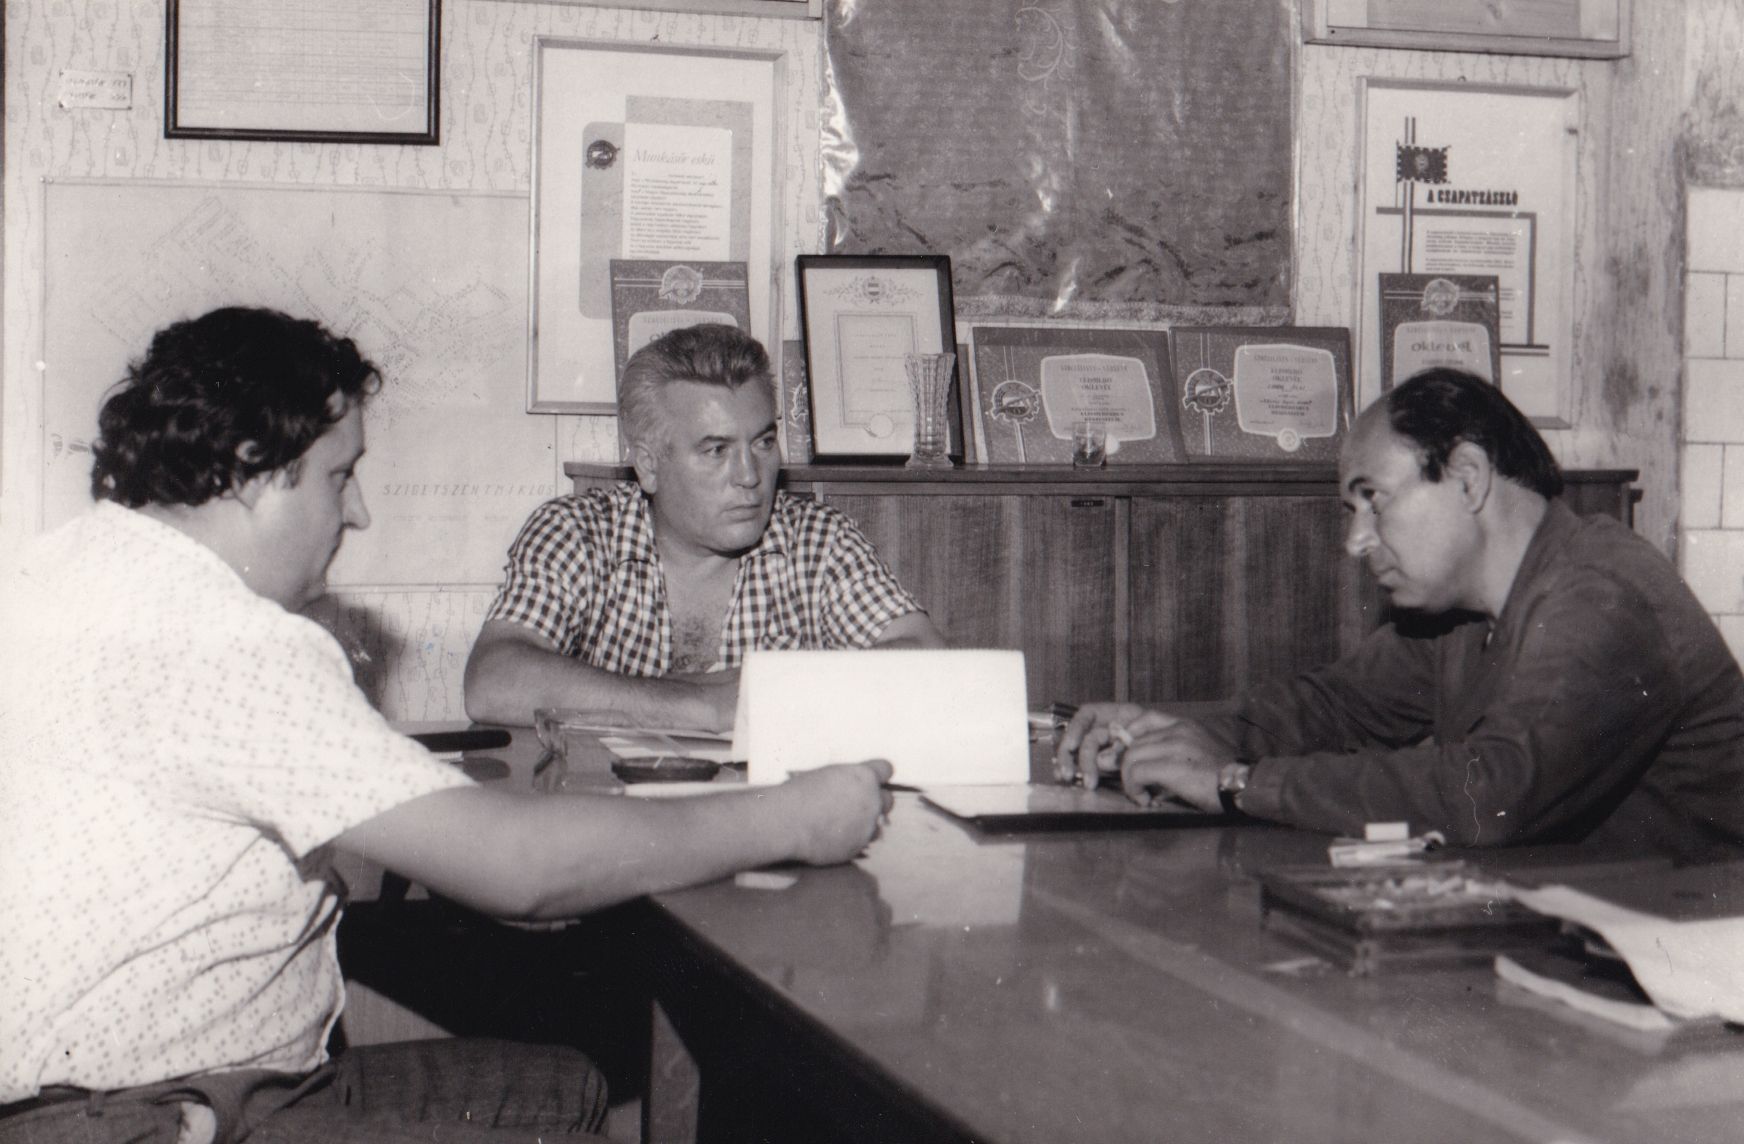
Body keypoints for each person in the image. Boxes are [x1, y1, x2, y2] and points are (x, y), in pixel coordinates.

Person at [0, 307, 892, 1143]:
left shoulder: (65, 570)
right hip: (150, 1115)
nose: (357, 511)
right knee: (586, 1093)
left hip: (101, 1086)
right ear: (253, 470)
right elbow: (521, 869)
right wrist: (798, 816)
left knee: (571, 1084)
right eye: (341, 475)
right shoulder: (231, 640)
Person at [1058, 368, 1744, 855]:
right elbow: (1337, 708)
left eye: (1373, 500)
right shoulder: (1464, 610)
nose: (1356, 541)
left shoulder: (1603, 593)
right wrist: (1173, 732)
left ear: (1467, 477)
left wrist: (1239, 783)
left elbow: (1491, 794)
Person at [464, 323, 944, 731]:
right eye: (716, 450)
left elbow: (928, 662)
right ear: (648, 465)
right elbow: (493, 680)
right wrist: (703, 705)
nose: (750, 476)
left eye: (763, 443)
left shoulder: (819, 540)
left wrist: (767, 690)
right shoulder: (577, 533)